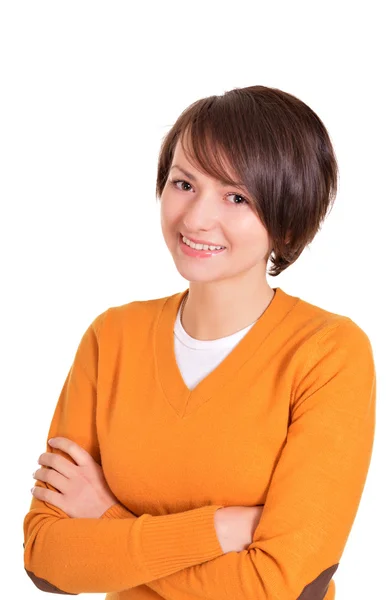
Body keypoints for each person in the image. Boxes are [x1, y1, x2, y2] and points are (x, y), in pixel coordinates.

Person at [23, 85, 376, 600]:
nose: (195, 218)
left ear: (288, 216)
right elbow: (47, 560)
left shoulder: (327, 353)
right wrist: (226, 529)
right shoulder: (112, 338)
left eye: (236, 197)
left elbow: (281, 589)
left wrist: (107, 517)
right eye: (184, 183)